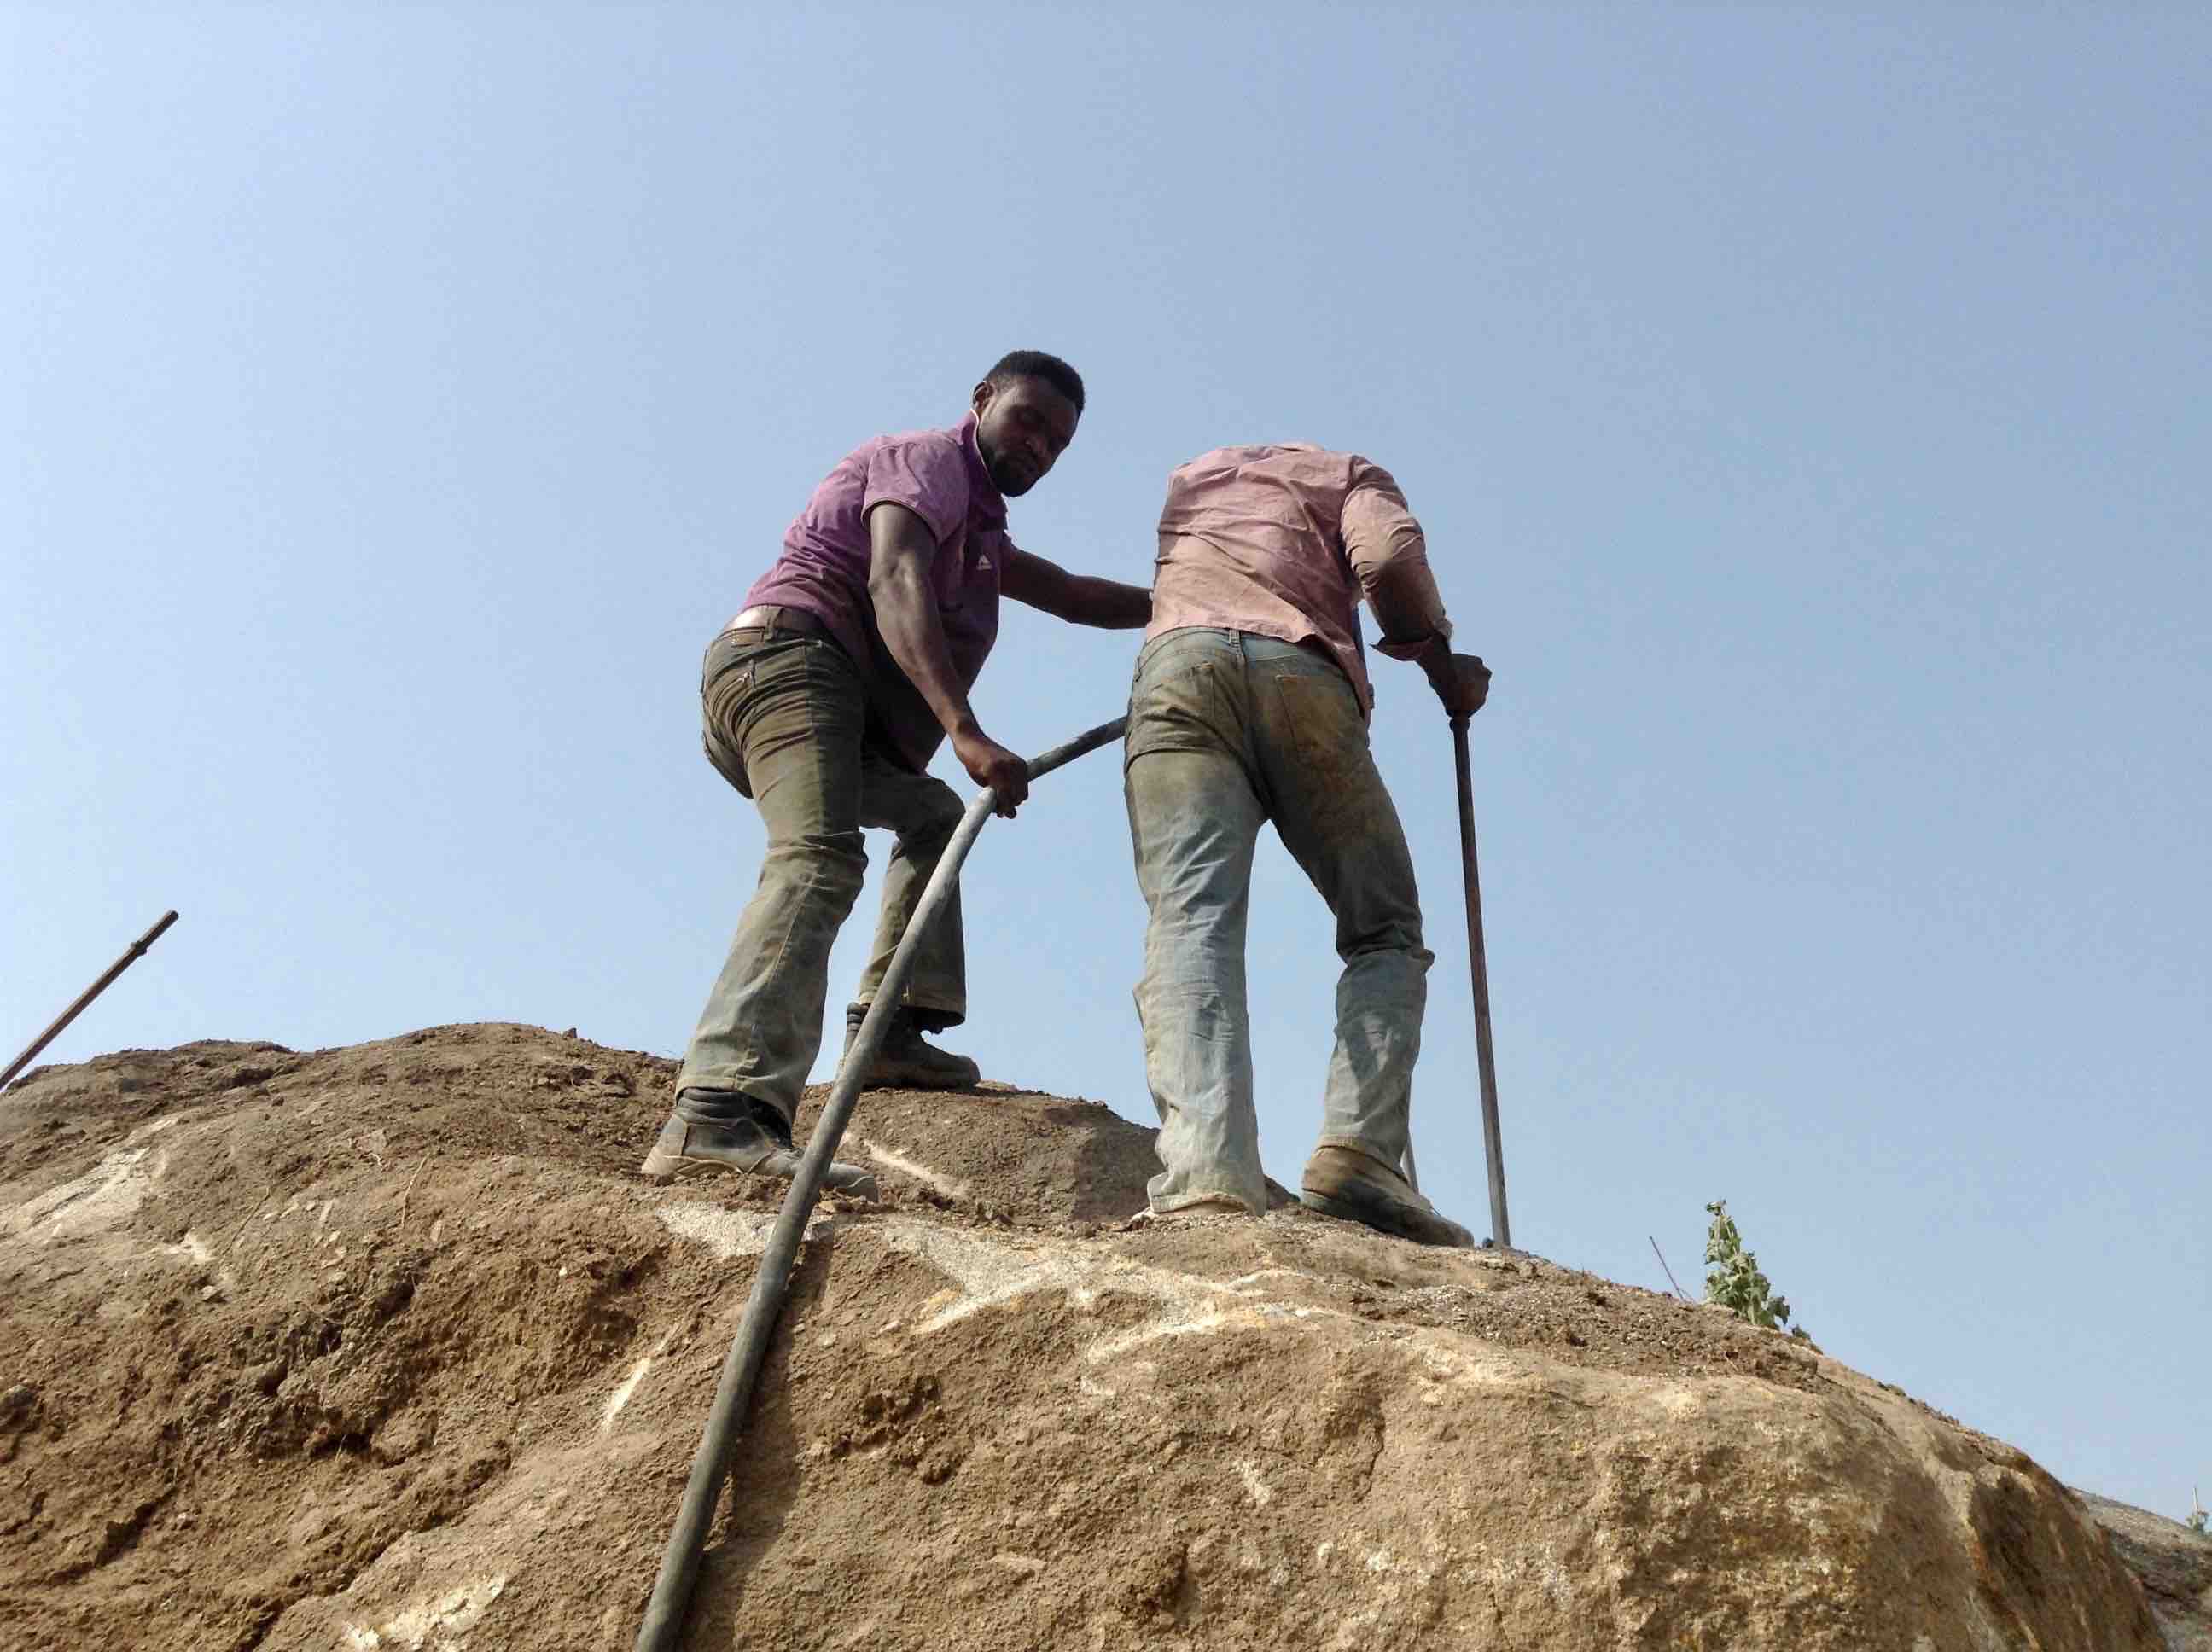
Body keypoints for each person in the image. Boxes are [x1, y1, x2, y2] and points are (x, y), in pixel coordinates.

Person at [642, 352, 1152, 1192]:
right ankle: (717, 1110)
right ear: (982, 400)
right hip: (786, 664)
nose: (1039, 446)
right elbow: (894, 573)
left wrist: (1183, 598)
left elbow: (1067, 591)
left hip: (830, 702)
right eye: (1028, 419)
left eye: (1058, 441)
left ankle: (890, 1029)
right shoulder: (929, 461)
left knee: (932, 815)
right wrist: (964, 726)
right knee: (818, 856)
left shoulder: (982, 532)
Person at [1122, 443, 1490, 1246]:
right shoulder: (1351, 475)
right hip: (1300, 676)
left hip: (1177, 673)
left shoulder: (1190, 480)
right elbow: (1391, 567)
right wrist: (1443, 667)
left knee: (1190, 922)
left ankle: (1206, 1177)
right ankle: (1357, 1154)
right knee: (1385, 929)